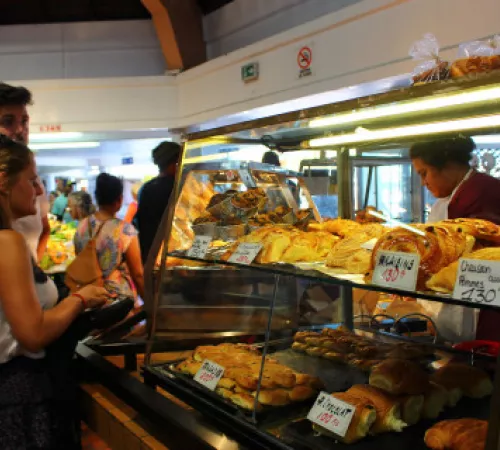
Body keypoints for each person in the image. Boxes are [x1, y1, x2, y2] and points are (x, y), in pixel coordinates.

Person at [0, 135, 111, 449]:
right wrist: (80, 299)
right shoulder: (7, 242)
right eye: (33, 180)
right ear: (3, 181)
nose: (38, 190)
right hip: (17, 394)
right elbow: (33, 333)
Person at [410, 135, 500, 342]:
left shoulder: (484, 194)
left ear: (448, 166)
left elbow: (483, 269)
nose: (423, 183)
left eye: (424, 173)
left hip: (489, 315)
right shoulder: (455, 195)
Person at [74, 173, 145, 303]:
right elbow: (138, 275)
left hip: (87, 298)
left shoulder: (82, 226)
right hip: (115, 302)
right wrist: (150, 302)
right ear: (119, 200)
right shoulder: (125, 230)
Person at [0, 82, 51, 262]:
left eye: (24, 121)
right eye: (8, 122)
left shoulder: (32, 179)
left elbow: (44, 228)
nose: (21, 130)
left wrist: (35, 272)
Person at [136, 141, 181, 263]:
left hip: (149, 253)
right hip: (171, 254)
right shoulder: (177, 188)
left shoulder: (146, 188)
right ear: (174, 163)